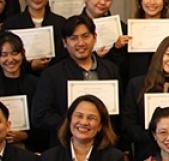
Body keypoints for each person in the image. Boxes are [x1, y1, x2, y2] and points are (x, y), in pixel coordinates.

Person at [30, 16, 122, 145]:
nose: (81, 43)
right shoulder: (52, 74)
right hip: (65, 146)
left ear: (95, 37)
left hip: (104, 145)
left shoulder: (111, 70)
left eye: (85, 36)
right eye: (73, 38)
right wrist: (74, 122)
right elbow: (39, 116)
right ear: (64, 42)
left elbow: (119, 114)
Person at [122, 35, 169, 161]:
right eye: (168, 54)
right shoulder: (136, 85)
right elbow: (128, 125)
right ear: (159, 54)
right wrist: (157, 136)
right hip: (145, 155)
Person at [0, 32, 39, 150]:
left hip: (28, 147)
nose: (10, 59)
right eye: (4, 55)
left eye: (15, 53)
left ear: (22, 54)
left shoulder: (36, 84)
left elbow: (41, 120)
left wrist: (25, 135)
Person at [2, 0, 68, 72]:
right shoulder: (11, 24)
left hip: (54, 77)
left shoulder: (60, 23)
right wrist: (29, 66)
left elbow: (65, 56)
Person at [81, 0, 131, 76]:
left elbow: (125, 67)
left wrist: (117, 50)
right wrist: (94, 56)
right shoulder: (75, 26)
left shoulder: (119, 27)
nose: (103, 2)